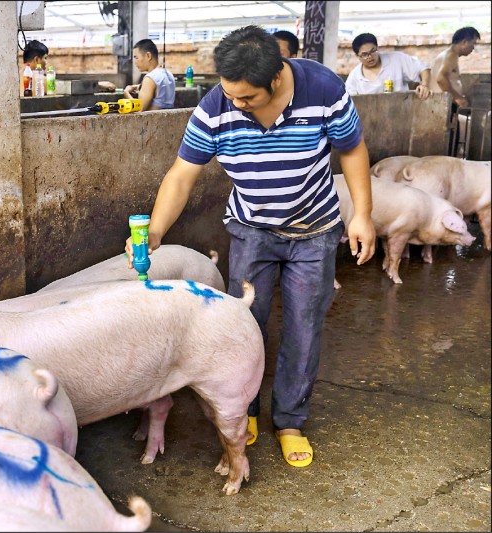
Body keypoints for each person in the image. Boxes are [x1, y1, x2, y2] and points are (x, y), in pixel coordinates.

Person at [124, 25, 375, 468]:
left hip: (314, 230)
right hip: (250, 231)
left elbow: (352, 150)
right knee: (245, 327)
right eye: (230, 94)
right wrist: (158, 229)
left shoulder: (323, 88)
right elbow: (182, 174)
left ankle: (290, 420)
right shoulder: (214, 106)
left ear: (276, 78)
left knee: (303, 326)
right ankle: (247, 410)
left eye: (247, 98)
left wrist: (362, 215)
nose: (236, 105)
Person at [345, 33, 431, 99]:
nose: (370, 57)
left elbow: (423, 68)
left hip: (402, 114)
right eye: (365, 54)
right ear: (357, 56)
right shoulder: (354, 78)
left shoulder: (397, 59)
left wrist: (424, 85)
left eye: (373, 51)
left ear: (377, 47)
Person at [428, 26, 480, 109]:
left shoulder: (449, 55)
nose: (473, 48)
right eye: (473, 44)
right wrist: (457, 97)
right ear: (464, 42)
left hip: (441, 104)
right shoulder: (451, 56)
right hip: (442, 105)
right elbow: (440, 78)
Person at [123, 39, 176, 110]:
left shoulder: (149, 79)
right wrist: (138, 87)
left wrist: (126, 93)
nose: (135, 62)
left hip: (153, 120)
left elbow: (139, 110)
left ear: (148, 56)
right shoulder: (168, 74)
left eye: (136, 57)